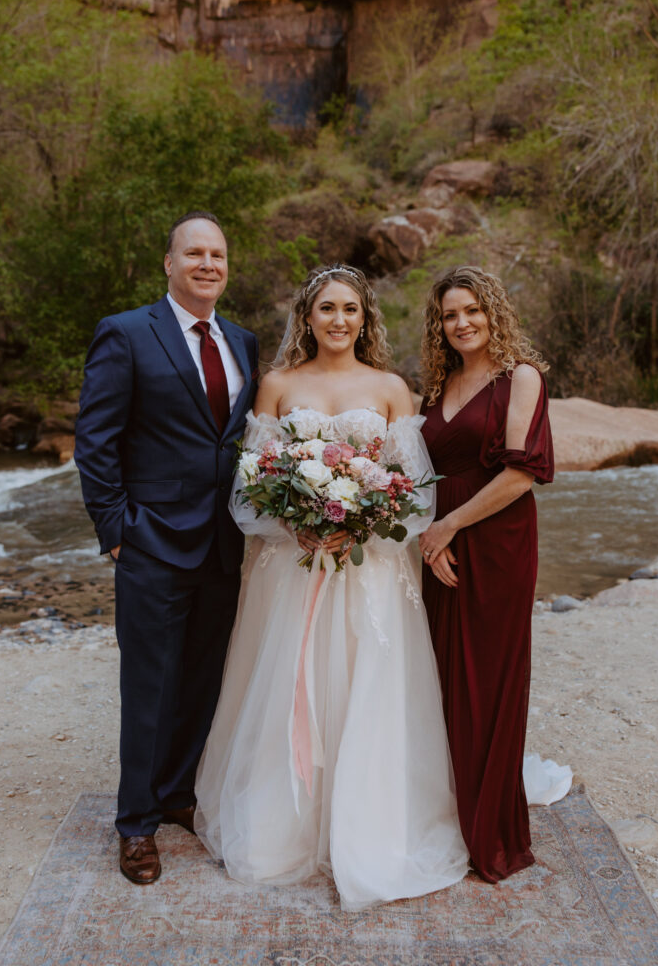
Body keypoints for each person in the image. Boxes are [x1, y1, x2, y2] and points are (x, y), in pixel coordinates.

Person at [193, 264, 469, 911]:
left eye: (350, 309)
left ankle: (367, 822)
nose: (338, 320)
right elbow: (248, 488)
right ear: (306, 317)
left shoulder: (391, 387)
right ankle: (285, 822)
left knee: (364, 681)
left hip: (369, 569)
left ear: (365, 317)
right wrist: (297, 525)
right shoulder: (279, 385)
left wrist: (364, 527)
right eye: (326, 309)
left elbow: (415, 494)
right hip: (292, 567)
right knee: (292, 679)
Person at [74, 211, 259, 885]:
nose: (207, 263)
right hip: (150, 543)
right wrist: (116, 530)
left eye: (217, 254)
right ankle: (135, 824)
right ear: (169, 263)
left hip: (223, 545)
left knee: (202, 680)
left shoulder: (243, 341)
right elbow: (94, 442)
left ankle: (178, 793)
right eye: (194, 253)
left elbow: (238, 443)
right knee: (148, 686)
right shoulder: (126, 333)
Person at [418, 264, 563, 883]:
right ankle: (445, 808)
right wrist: (427, 533)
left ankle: (493, 830)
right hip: (435, 545)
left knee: (490, 678)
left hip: (495, 541)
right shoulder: (436, 384)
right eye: (450, 314)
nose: (462, 323)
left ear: (493, 312)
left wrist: (449, 526)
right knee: (440, 676)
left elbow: (519, 474)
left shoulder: (520, 377)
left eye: (472, 310)